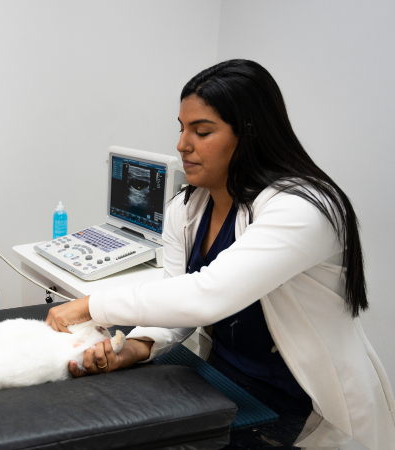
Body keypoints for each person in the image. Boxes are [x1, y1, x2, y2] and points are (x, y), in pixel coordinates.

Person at [46, 60, 395, 448]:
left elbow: (208, 296)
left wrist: (92, 305)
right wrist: (136, 347)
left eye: (202, 130)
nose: (182, 144)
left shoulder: (302, 208)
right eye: (182, 128)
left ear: (249, 135)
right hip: (224, 383)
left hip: (305, 407)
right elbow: (178, 303)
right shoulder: (186, 208)